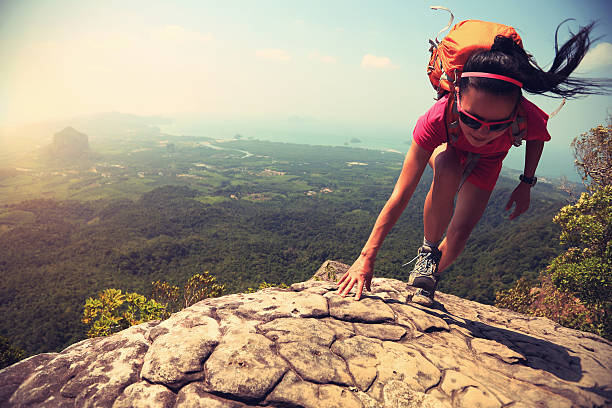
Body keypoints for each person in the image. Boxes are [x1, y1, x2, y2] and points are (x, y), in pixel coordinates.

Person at [336, 21, 610, 306]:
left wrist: (526, 183)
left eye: (497, 125)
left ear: (515, 110)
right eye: (471, 119)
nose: (481, 132)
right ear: (456, 96)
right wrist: (366, 257)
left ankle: (428, 277)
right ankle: (428, 251)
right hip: (450, 146)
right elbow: (401, 193)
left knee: (459, 234)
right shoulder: (437, 118)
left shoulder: (527, 115)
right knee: (448, 168)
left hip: (489, 161)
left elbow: (537, 136)